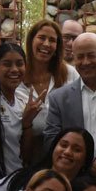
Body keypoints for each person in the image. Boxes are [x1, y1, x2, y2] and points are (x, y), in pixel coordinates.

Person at [45, 33, 96, 180]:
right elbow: (51, 139)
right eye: (80, 57)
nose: (86, 62)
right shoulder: (59, 98)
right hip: (73, 178)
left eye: (91, 56)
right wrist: (89, 162)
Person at [23, 19, 79, 159]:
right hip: (23, 154)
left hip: (65, 155)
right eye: (41, 38)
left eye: (52, 40)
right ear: (31, 41)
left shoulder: (70, 73)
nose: (46, 44)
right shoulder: (17, 74)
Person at [0, 43, 39, 176]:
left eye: (19, 64)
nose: (14, 69)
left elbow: (25, 156)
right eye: (7, 64)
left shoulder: (22, 103)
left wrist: (27, 123)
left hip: (16, 178)